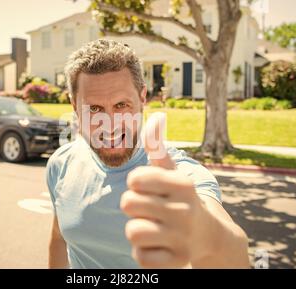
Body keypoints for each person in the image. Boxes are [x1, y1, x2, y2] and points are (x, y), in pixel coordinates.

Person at [46, 39, 249, 269]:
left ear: (142, 98)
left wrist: (206, 235)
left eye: (121, 105)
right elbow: (59, 239)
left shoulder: (181, 176)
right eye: (94, 109)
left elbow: (234, 257)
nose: (110, 125)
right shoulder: (60, 163)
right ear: (74, 106)